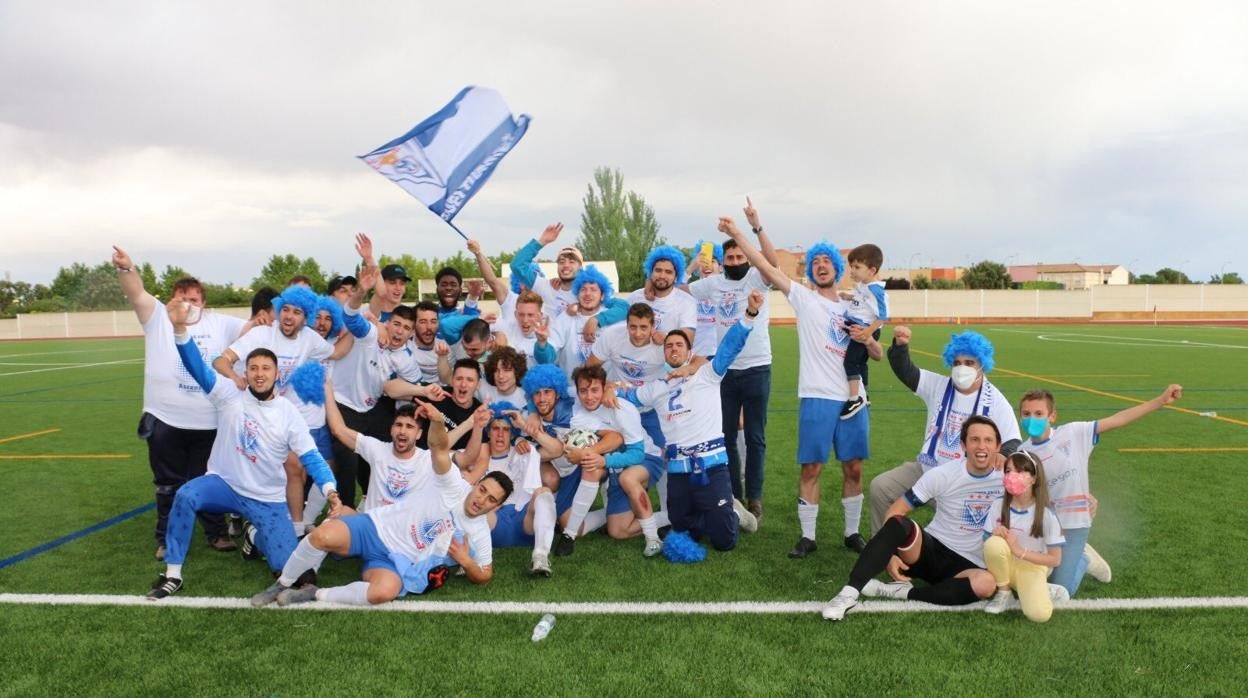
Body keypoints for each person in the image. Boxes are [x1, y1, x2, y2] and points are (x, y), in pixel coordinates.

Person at [148, 299, 341, 600]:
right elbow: (197, 366)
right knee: (186, 494)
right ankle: (173, 574)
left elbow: (311, 457)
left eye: (266, 368)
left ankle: (254, 536)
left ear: (277, 374)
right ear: (246, 372)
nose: (259, 373)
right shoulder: (228, 395)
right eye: (253, 368)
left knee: (294, 575)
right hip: (224, 484)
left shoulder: (288, 413)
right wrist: (180, 329)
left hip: (266, 498)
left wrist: (330, 489)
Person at [720, 218, 881, 557]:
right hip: (817, 396)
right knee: (812, 467)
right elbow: (764, 264)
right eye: (815, 263)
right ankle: (808, 537)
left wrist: (869, 341)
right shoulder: (805, 299)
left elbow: (877, 354)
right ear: (810, 272)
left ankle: (852, 533)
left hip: (853, 400)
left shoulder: (855, 305)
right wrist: (739, 233)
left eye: (827, 262)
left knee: (853, 467)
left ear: (838, 269)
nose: (821, 266)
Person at [250, 403, 511, 607]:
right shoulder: (454, 484)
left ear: (497, 505)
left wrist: (467, 562)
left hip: (399, 561)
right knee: (321, 535)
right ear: (476, 484)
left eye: (491, 500)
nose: (481, 500)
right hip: (376, 527)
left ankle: (315, 593)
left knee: (384, 592)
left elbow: (485, 574)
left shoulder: (479, 532)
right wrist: (437, 421)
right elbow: (439, 448)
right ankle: (283, 584)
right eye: (483, 490)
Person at [111, 245, 242, 560]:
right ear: (172, 299)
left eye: (193, 299)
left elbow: (258, 330)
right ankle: (167, 539)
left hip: (209, 422)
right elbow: (137, 293)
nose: (187, 305)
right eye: (181, 298)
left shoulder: (221, 323)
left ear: (204, 303)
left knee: (210, 481)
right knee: (167, 485)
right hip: (165, 420)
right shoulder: (157, 316)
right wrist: (127, 269)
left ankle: (217, 532)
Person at [612, 290, 767, 551]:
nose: (673, 349)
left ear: (689, 351)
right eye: (669, 346)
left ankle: (734, 513)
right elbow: (627, 395)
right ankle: (713, 508)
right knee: (683, 530)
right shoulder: (655, 387)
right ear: (664, 353)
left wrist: (749, 315)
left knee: (723, 541)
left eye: (679, 345)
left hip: (712, 465)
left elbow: (730, 347)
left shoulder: (707, 373)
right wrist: (608, 388)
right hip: (678, 469)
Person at [820, 416, 1004, 621]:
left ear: (999, 446)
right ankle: (849, 593)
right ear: (963, 445)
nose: (981, 446)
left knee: (987, 585)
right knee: (899, 523)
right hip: (930, 551)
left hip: (971, 564)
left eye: (988, 440)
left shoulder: (1009, 479)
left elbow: (1035, 484)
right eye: (974, 439)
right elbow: (896, 511)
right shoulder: (943, 475)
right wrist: (890, 554)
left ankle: (901, 592)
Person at [1018, 383, 1182, 596]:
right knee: (1037, 579)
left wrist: (1160, 400)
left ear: (1052, 416)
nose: (1032, 419)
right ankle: (1069, 558)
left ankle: (1084, 559)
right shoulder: (1023, 451)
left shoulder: (1075, 433)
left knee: (1061, 591)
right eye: (1026, 414)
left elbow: (1119, 419)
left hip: (1075, 524)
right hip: (1047, 527)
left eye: (1039, 413)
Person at [868, 328, 1021, 534]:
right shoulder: (939, 385)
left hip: (963, 482)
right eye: (957, 363)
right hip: (927, 470)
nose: (961, 368)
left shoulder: (996, 401)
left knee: (960, 533)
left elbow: (1013, 441)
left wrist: (1002, 454)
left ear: (982, 365)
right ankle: (883, 550)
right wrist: (901, 346)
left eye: (969, 363)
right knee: (880, 487)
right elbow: (906, 371)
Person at [688, 197, 780, 521]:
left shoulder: (756, 278)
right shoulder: (713, 283)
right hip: (724, 372)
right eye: (731, 256)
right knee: (725, 436)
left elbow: (771, 262)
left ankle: (755, 497)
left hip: (756, 368)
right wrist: (696, 263)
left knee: (755, 437)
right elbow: (682, 288)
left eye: (740, 255)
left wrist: (755, 226)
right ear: (723, 260)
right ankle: (733, 494)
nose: (737, 259)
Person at [566, 364, 666, 557]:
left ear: (604, 388)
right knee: (618, 531)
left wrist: (603, 462)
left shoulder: (622, 407)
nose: (589, 396)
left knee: (628, 478)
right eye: (583, 391)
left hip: (647, 458)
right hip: (616, 469)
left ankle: (653, 538)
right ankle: (672, 517)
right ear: (577, 393)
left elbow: (637, 454)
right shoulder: (579, 419)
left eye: (595, 390)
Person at [521, 364, 617, 557]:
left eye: (547, 392)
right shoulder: (529, 416)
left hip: (579, 470)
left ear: (558, 393)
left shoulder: (575, 411)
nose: (541, 398)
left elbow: (615, 437)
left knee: (571, 526)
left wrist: (609, 388)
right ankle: (607, 512)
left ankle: (610, 510)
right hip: (560, 471)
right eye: (536, 394)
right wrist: (531, 414)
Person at [475, 403, 562, 577]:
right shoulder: (478, 456)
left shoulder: (522, 451)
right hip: (493, 525)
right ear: (488, 432)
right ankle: (473, 554)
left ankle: (540, 557)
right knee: (477, 501)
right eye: (495, 428)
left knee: (544, 493)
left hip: (526, 523)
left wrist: (524, 426)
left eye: (506, 430)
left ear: (512, 433)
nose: (500, 434)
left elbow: (557, 450)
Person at [981, 451, 1065, 622]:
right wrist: (996, 535)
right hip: (1007, 565)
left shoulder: (1046, 514)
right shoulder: (998, 505)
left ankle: (1044, 588)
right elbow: (987, 544)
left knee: (1039, 615)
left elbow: (1055, 560)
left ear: (1034, 478)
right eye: (1008, 471)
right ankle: (1004, 592)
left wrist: (1019, 551)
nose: (1012, 476)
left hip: (1033, 566)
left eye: (1020, 471)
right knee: (993, 543)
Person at [838, 243, 889, 420]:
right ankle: (865, 395)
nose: (852, 270)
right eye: (851, 266)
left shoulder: (877, 290)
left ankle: (854, 398)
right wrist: (849, 296)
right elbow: (864, 300)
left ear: (872, 270)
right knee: (861, 364)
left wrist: (867, 332)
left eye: (857, 267)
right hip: (859, 327)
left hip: (863, 330)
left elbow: (883, 316)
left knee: (850, 363)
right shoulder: (864, 286)